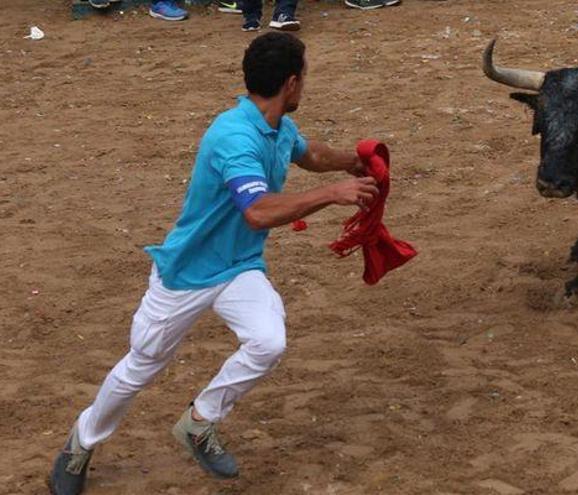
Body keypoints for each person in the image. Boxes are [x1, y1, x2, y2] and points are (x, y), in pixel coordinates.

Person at [48, 32, 379, 495]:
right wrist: (333, 195)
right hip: (186, 275)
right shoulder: (234, 137)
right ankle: (80, 442)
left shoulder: (278, 127)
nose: (305, 84)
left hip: (239, 265)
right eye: (304, 77)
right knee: (141, 367)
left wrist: (355, 163)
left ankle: (199, 421)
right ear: (290, 83)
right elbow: (258, 211)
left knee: (268, 341)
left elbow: (312, 155)